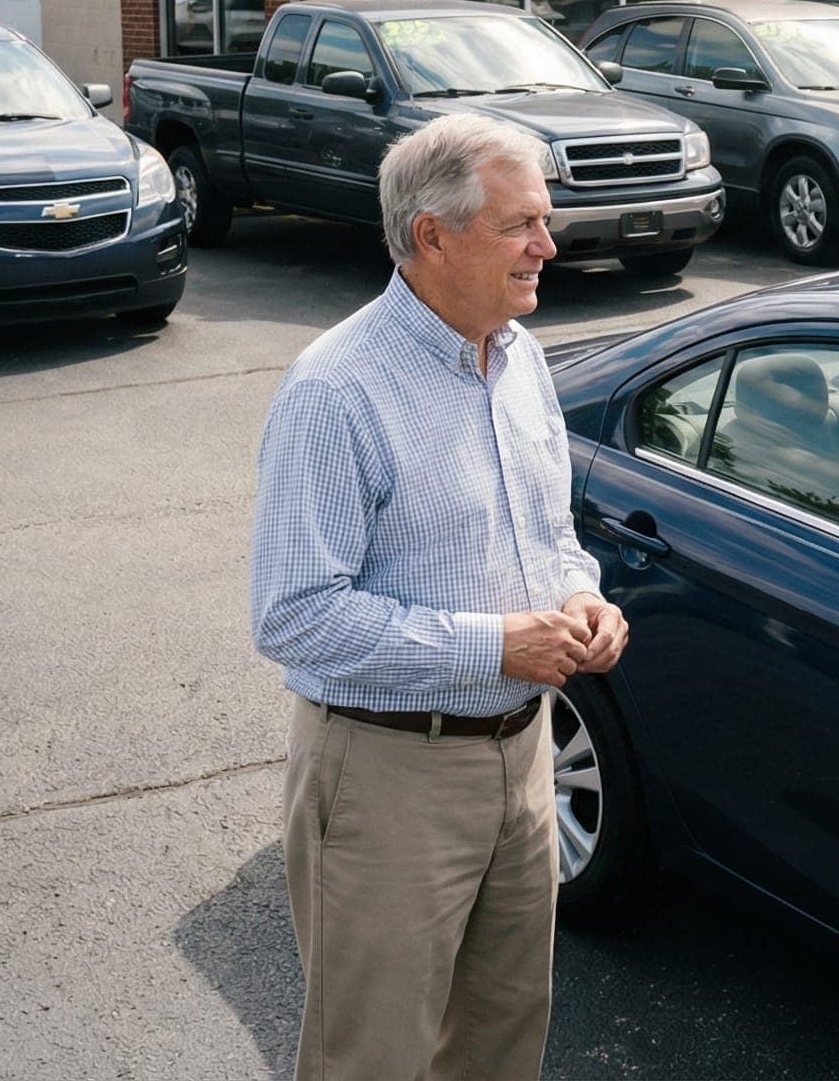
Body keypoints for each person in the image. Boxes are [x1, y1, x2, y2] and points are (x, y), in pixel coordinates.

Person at [249, 115, 629, 1081]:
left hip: (523, 756)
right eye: (522, 227)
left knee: (504, 1044)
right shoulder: (336, 390)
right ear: (434, 236)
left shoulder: (520, 356)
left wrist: (582, 600)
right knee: (372, 1056)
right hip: (385, 778)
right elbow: (295, 616)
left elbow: (549, 537)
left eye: (545, 222)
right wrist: (494, 644)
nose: (550, 245)